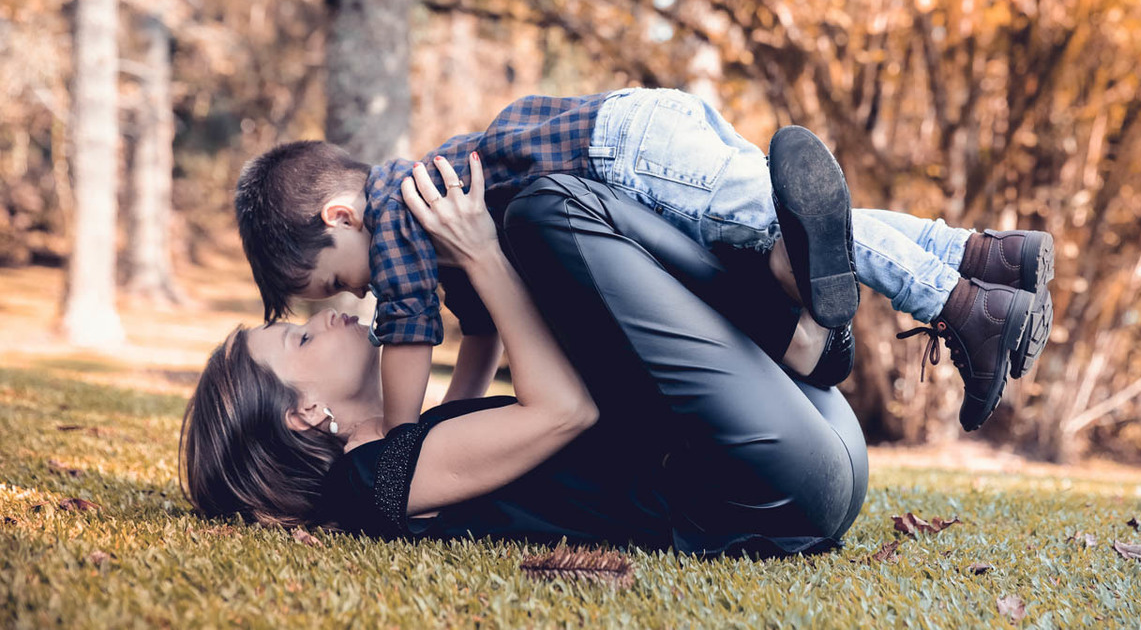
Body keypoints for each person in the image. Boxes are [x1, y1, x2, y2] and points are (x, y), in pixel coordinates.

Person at [234, 87, 1054, 432]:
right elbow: (477, 334)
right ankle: (988, 254)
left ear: (341, 217)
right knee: (810, 227)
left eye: (339, 279)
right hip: (643, 126)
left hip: (624, 156)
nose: (359, 295)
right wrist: (456, 421)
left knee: (788, 223)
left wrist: (401, 436)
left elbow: (411, 333)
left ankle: (967, 309)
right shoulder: (441, 221)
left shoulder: (401, 209)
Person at [181, 155, 869, 556]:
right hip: (765, 490)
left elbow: (484, 349)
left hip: (801, 435)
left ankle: (797, 334)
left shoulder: (398, 452)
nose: (326, 317)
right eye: (301, 339)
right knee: (546, 212)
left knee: (540, 217)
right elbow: (563, 410)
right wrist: (483, 252)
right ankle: (780, 311)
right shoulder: (369, 483)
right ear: (305, 412)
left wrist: (458, 259)